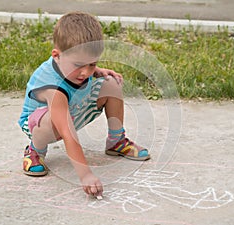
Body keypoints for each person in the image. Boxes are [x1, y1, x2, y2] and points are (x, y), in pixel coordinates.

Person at [18, 11, 150, 197]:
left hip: (74, 110)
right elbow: (68, 133)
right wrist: (85, 174)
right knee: (48, 122)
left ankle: (116, 140)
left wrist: (98, 71)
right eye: (79, 65)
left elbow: (84, 68)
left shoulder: (75, 66)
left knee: (111, 83)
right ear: (56, 56)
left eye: (92, 63)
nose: (86, 72)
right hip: (43, 125)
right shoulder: (52, 87)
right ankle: (35, 151)